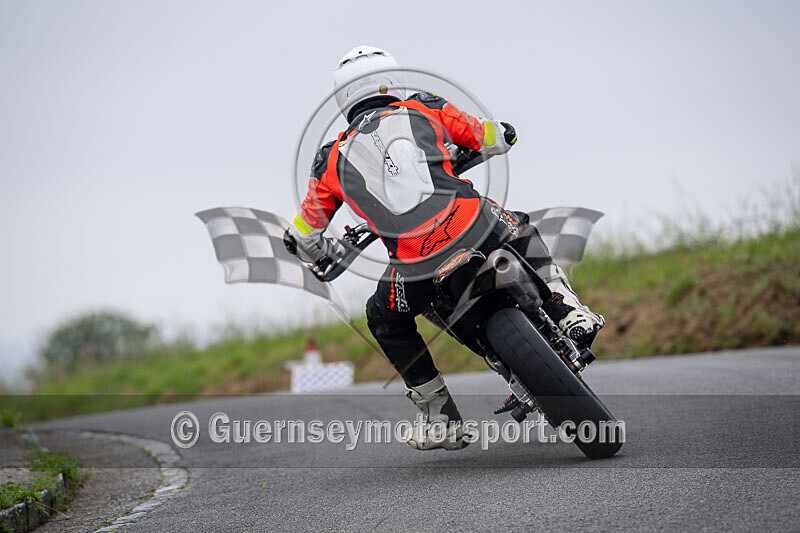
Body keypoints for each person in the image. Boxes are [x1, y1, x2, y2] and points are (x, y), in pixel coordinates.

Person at [285, 46, 604, 450]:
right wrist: (501, 133)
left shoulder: (328, 159)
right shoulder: (424, 107)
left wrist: (314, 252)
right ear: (393, 80)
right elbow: (491, 136)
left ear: (342, 98)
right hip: (476, 224)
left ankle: (441, 418)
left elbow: (303, 232)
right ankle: (569, 309)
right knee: (520, 227)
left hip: (414, 266)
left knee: (383, 317)